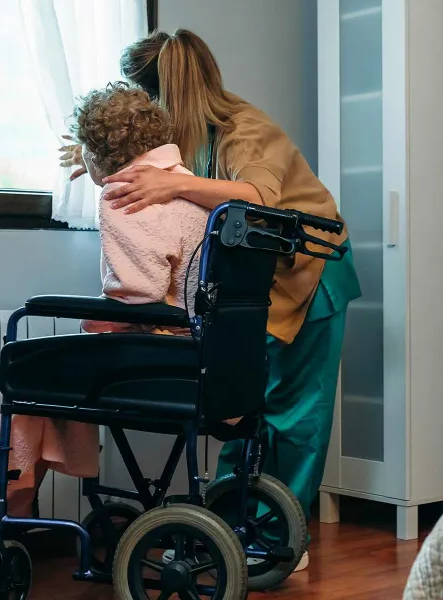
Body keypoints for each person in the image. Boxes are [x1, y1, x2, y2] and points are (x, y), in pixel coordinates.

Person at [60, 29, 362, 571]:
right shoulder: (190, 137)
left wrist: (172, 187)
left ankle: (277, 545)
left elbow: (261, 196)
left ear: (163, 91)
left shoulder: (243, 130)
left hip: (310, 275)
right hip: (252, 287)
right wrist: (105, 160)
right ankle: (229, 523)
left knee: (291, 417)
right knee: (238, 402)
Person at [0, 82, 211, 538]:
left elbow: (141, 293)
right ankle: (10, 502)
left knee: (26, 372)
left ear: (98, 153)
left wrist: (93, 317)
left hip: (154, 358)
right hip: (201, 359)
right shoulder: (192, 191)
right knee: (51, 378)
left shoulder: (124, 196)